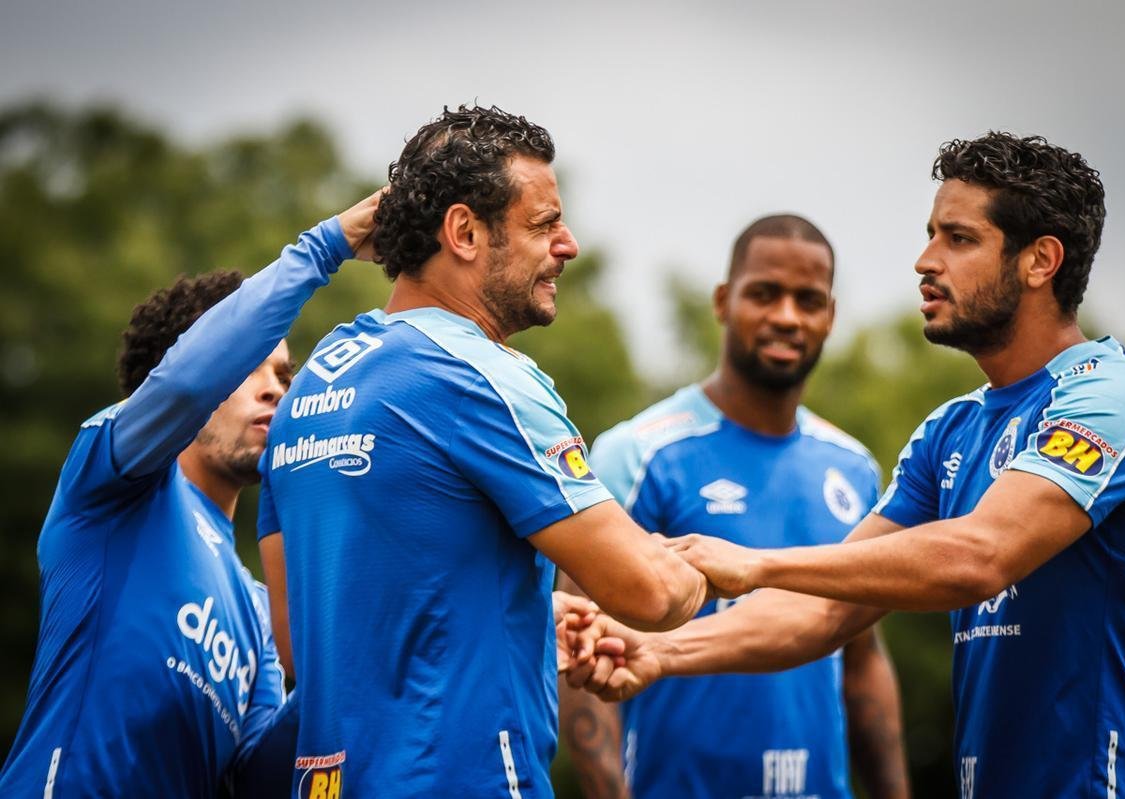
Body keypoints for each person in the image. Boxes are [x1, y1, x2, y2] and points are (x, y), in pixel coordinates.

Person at [568, 132, 1125, 797]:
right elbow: (827, 613)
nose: (925, 260)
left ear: (1040, 260)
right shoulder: (948, 432)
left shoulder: (1115, 397)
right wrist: (660, 653)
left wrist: (756, 562)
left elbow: (980, 557)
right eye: (930, 234)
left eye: (957, 238)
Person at [256, 105, 709, 798]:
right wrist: (701, 571)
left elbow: (303, 640)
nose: (569, 244)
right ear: (464, 231)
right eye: (543, 224)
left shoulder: (315, 377)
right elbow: (646, 591)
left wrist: (520, 613)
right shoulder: (480, 372)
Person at [0, 193, 381, 797]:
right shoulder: (112, 488)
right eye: (249, 364)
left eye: (283, 376)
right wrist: (326, 245)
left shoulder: (258, 616)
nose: (273, 391)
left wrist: (363, 645)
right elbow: (182, 386)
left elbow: (257, 779)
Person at [559, 215, 909, 799]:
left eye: (808, 300)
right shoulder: (640, 453)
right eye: (764, 294)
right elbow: (578, 645)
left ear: (831, 316)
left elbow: (862, 654)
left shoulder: (854, 468)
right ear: (724, 301)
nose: (787, 317)